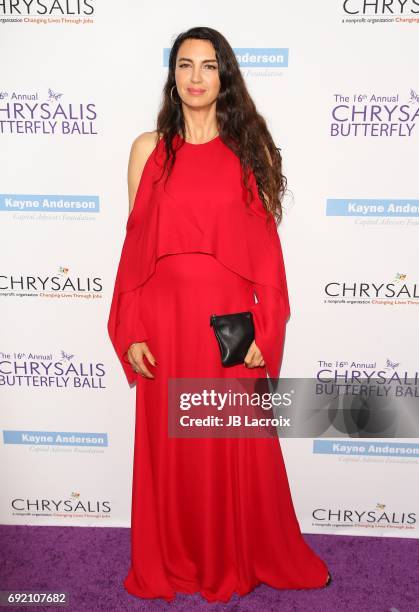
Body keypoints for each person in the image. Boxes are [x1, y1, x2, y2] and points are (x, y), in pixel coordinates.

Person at [107, 26, 331, 604]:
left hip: (225, 326)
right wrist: (130, 327)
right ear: (173, 76)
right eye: (186, 65)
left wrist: (263, 329)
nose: (197, 77)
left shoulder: (246, 153)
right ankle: (175, 558)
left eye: (209, 66)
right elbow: (134, 251)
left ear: (224, 78)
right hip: (163, 321)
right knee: (172, 448)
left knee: (231, 441)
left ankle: (236, 554)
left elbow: (266, 261)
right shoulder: (146, 150)